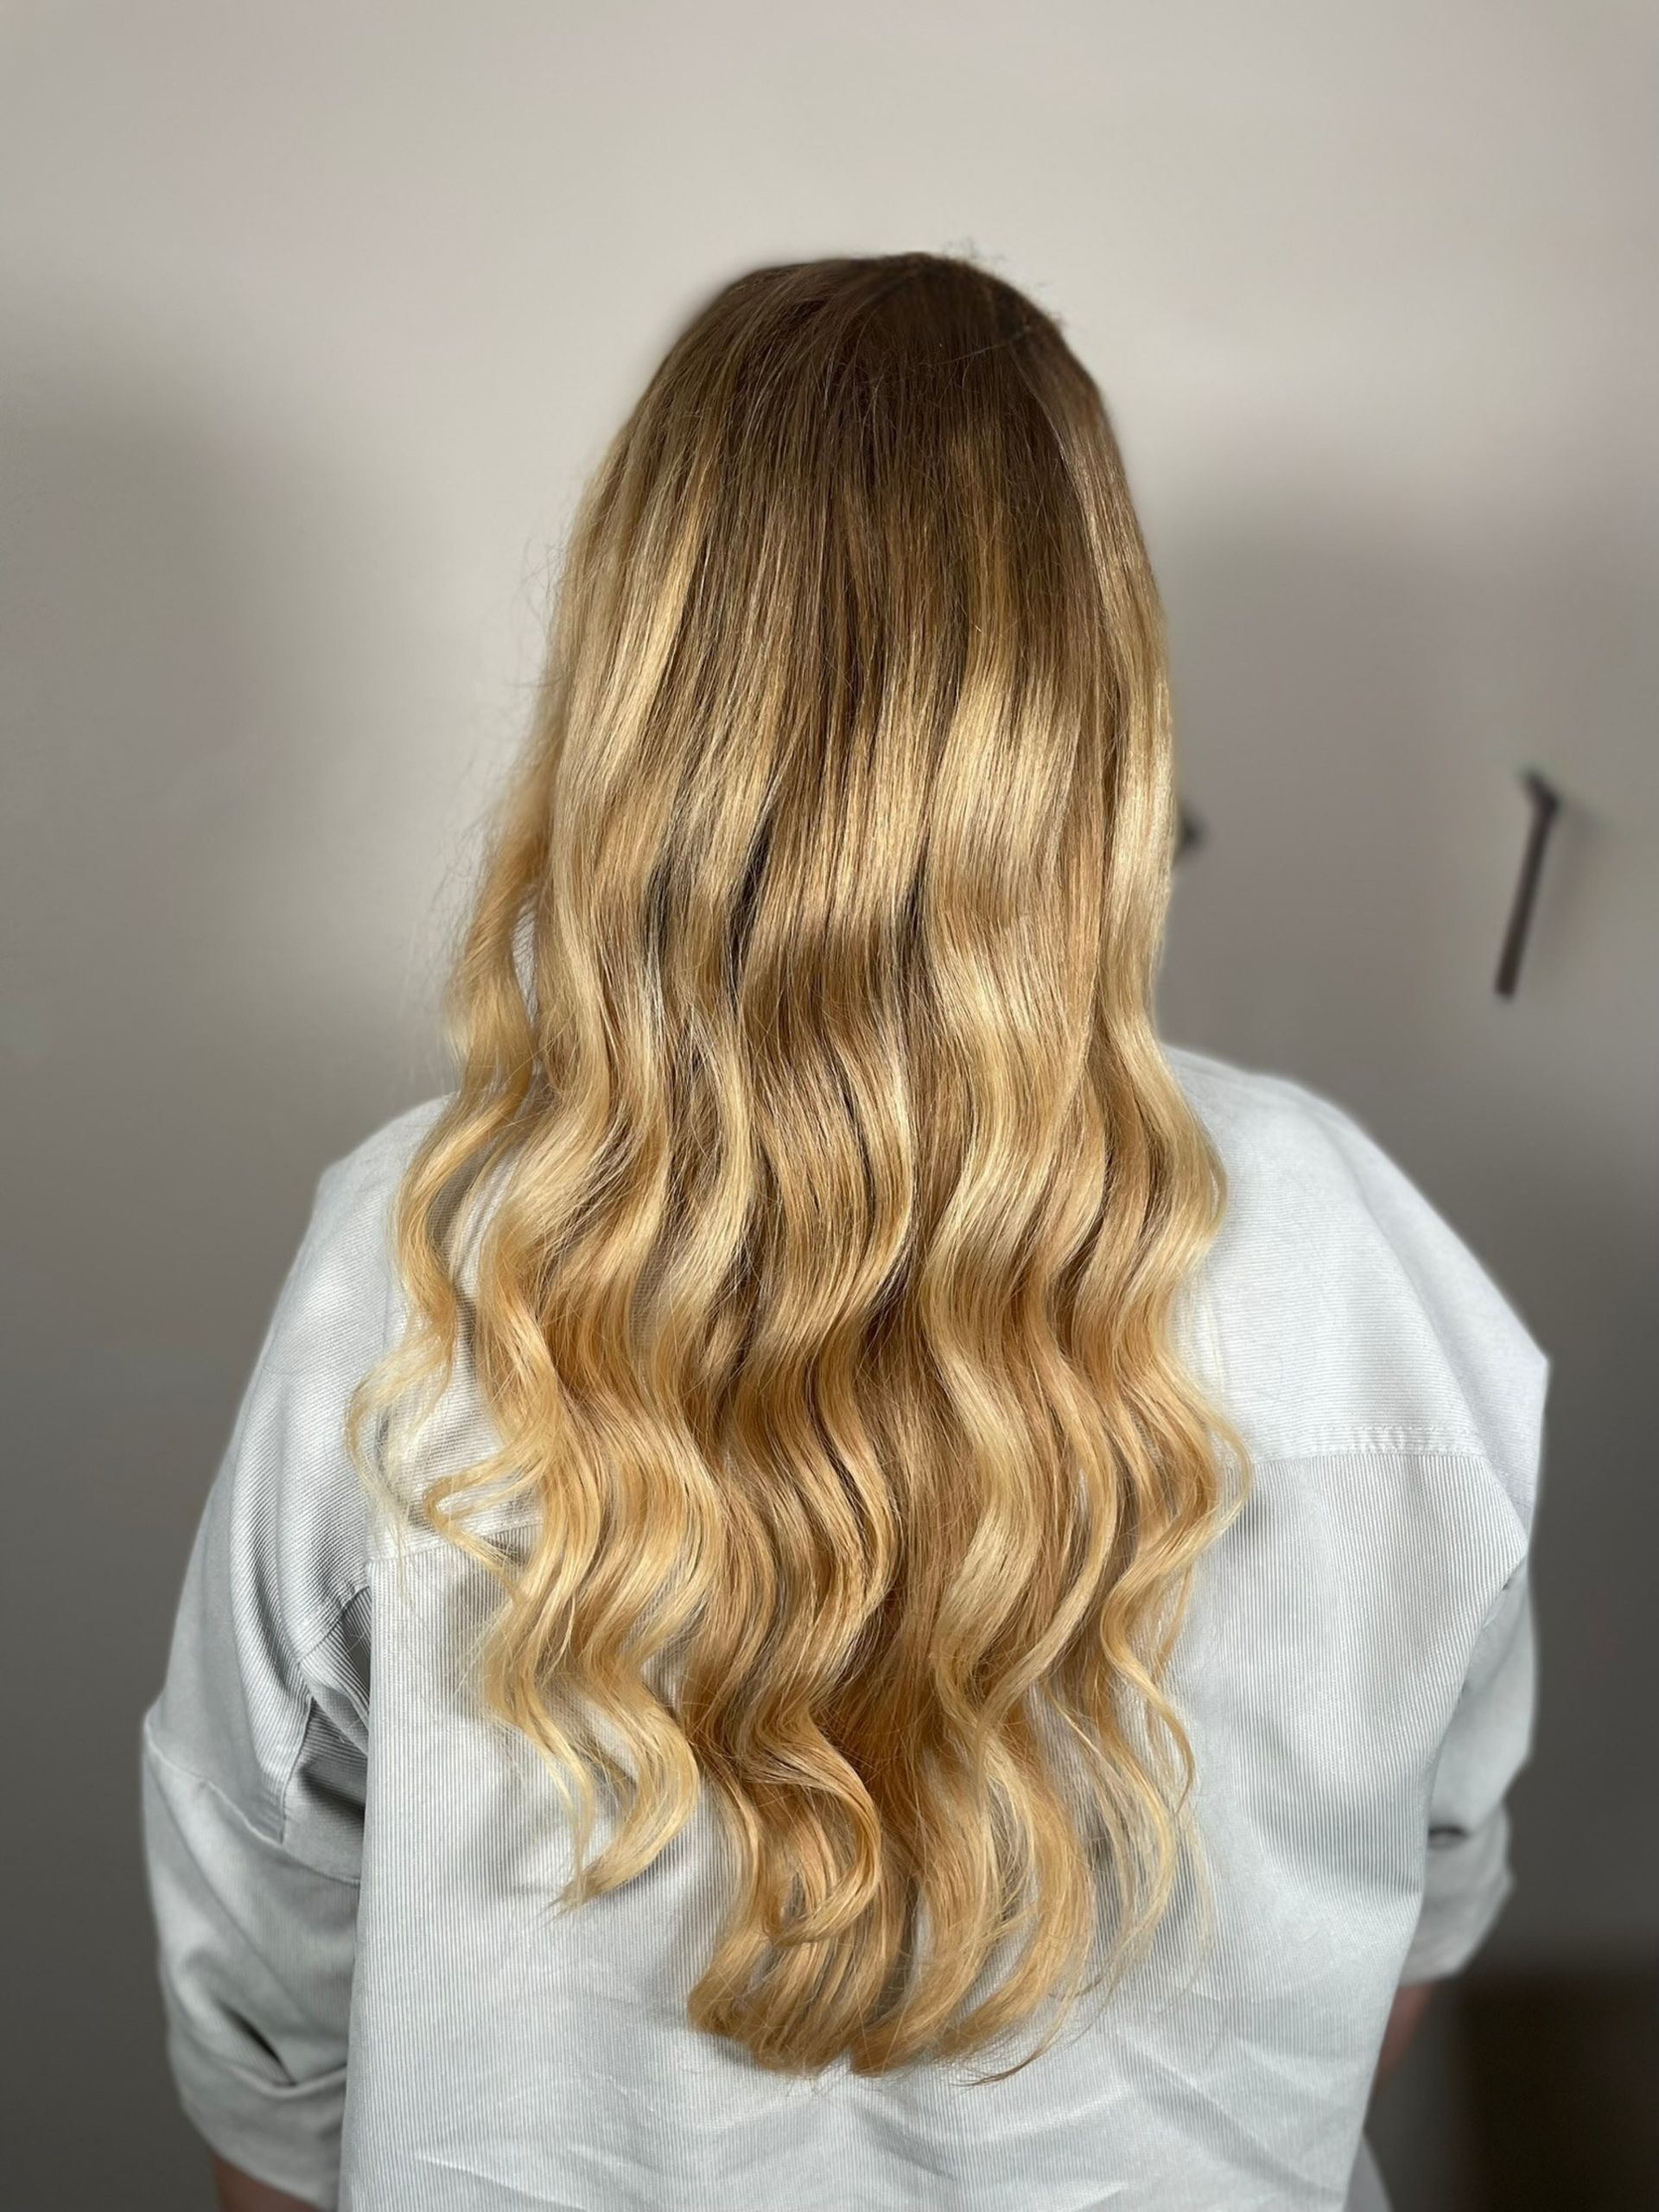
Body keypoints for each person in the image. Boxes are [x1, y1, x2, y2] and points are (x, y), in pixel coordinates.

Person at [139, 251, 1548, 2212]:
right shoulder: (1371, 1279)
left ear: (645, 681)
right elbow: (1421, 1905)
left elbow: (265, 2049)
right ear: (1092, 697)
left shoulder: (406, 1271)